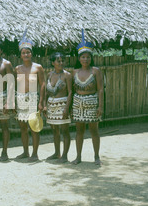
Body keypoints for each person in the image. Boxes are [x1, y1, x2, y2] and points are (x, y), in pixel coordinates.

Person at [71, 29, 104, 166]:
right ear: (79, 58)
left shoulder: (95, 71)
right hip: (78, 103)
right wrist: (72, 107)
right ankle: (78, 157)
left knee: (94, 130)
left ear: (91, 58)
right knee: (79, 130)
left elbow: (101, 89)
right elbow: (72, 91)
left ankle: (96, 156)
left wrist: (100, 106)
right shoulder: (75, 72)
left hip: (92, 102)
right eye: (83, 57)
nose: (85, 59)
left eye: (88, 57)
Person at [15, 29, 45, 161]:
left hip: (33, 98)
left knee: (34, 127)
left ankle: (35, 153)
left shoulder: (38, 68)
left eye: (28, 52)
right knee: (23, 127)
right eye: (23, 52)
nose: (26, 54)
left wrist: (41, 102)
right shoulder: (18, 69)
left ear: (31, 53)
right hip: (21, 98)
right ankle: (25, 151)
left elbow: (42, 84)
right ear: (20, 55)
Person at [43, 52, 72, 163]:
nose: (61, 63)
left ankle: (64, 156)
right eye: (58, 61)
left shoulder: (67, 75)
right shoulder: (49, 75)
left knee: (65, 131)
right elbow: (47, 91)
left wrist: (66, 108)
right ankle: (57, 153)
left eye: (62, 60)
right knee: (55, 130)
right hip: (51, 105)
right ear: (53, 63)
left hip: (62, 104)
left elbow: (70, 92)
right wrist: (45, 105)